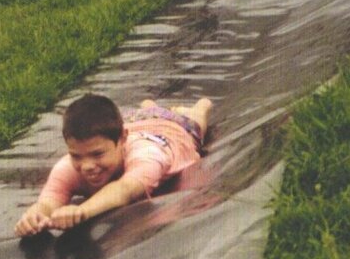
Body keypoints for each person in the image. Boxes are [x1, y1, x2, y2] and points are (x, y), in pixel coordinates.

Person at [15, 92, 213, 235]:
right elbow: (48, 202)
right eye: (76, 156)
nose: (87, 166)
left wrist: (81, 211)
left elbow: (124, 190)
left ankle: (200, 106)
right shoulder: (67, 166)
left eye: (97, 154)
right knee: (147, 112)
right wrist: (33, 217)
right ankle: (148, 106)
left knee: (196, 122)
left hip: (173, 128)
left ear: (122, 139)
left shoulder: (148, 155)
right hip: (134, 121)